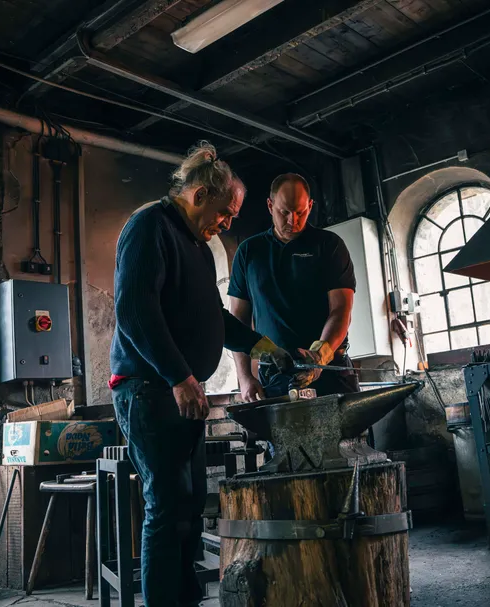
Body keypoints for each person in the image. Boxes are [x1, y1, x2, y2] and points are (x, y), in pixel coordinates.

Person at [108, 143, 294, 607]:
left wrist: (264, 345)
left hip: (180, 391)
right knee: (166, 509)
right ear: (198, 195)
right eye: (226, 213)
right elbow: (134, 311)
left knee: (189, 508)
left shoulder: (199, 247)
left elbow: (215, 318)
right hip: (149, 391)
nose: (228, 223)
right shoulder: (149, 226)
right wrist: (179, 376)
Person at [228, 173, 357, 401]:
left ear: (311, 205)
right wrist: (245, 377)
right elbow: (237, 321)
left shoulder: (329, 246)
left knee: (346, 437)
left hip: (330, 369)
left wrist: (320, 355)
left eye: (301, 212)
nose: (292, 221)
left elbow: (341, 311)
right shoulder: (249, 252)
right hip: (275, 374)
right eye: (284, 212)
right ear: (270, 205)